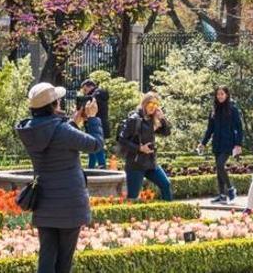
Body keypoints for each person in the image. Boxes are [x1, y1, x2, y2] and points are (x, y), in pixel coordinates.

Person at [16, 82, 104, 273]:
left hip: (44, 202)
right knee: (64, 260)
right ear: (53, 105)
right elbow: (96, 144)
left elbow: (52, 137)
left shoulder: (29, 130)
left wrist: (73, 123)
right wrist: (93, 119)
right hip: (69, 204)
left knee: (47, 258)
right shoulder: (63, 130)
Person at [117, 91, 173, 201]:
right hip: (135, 164)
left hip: (150, 163)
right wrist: (140, 148)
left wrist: (162, 118)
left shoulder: (152, 119)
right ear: (144, 104)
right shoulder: (134, 119)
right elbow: (121, 139)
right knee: (133, 197)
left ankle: (169, 214)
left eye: (156, 105)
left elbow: (166, 132)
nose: (153, 107)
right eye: (151, 104)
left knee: (165, 184)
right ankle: (131, 217)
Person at [197, 86, 244, 203]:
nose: (220, 96)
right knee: (219, 169)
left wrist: (238, 144)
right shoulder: (214, 110)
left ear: (227, 95)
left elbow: (239, 128)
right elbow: (210, 129)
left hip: (228, 143)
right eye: (218, 94)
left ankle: (231, 189)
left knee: (220, 165)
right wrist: (203, 143)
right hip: (217, 143)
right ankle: (222, 195)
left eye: (222, 94)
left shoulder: (233, 109)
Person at [80, 79, 110, 169]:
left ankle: (102, 167)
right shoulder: (96, 95)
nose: (85, 93)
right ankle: (91, 167)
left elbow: (92, 102)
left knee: (97, 147)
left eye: (85, 90)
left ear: (91, 87)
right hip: (96, 124)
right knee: (92, 148)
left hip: (97, 125)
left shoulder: (98, 94)